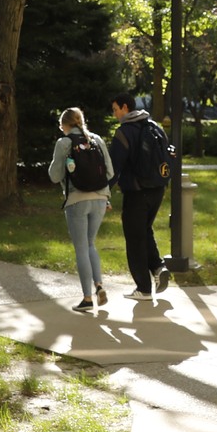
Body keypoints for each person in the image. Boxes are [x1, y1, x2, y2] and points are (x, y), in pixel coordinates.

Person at [109, 93, 172, 300]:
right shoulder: (155, 127)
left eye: (116, 109)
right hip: (158, 189)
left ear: (125, 107)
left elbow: (114, 167)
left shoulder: (125, 132)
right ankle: (158, 267)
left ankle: (143, 289)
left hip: (137, 192)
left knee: (134, 238)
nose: (115, 113)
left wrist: (104, 191)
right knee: (144, 230)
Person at [51, 107, 116, 310]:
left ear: (65, 125)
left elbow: (54, 176)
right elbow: (110, 172)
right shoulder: (97, 139)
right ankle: (98, 285)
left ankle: (87, 299)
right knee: (90, 244)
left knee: (81, 248)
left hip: (77, 199)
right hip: (100, 198)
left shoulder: (64, 142)